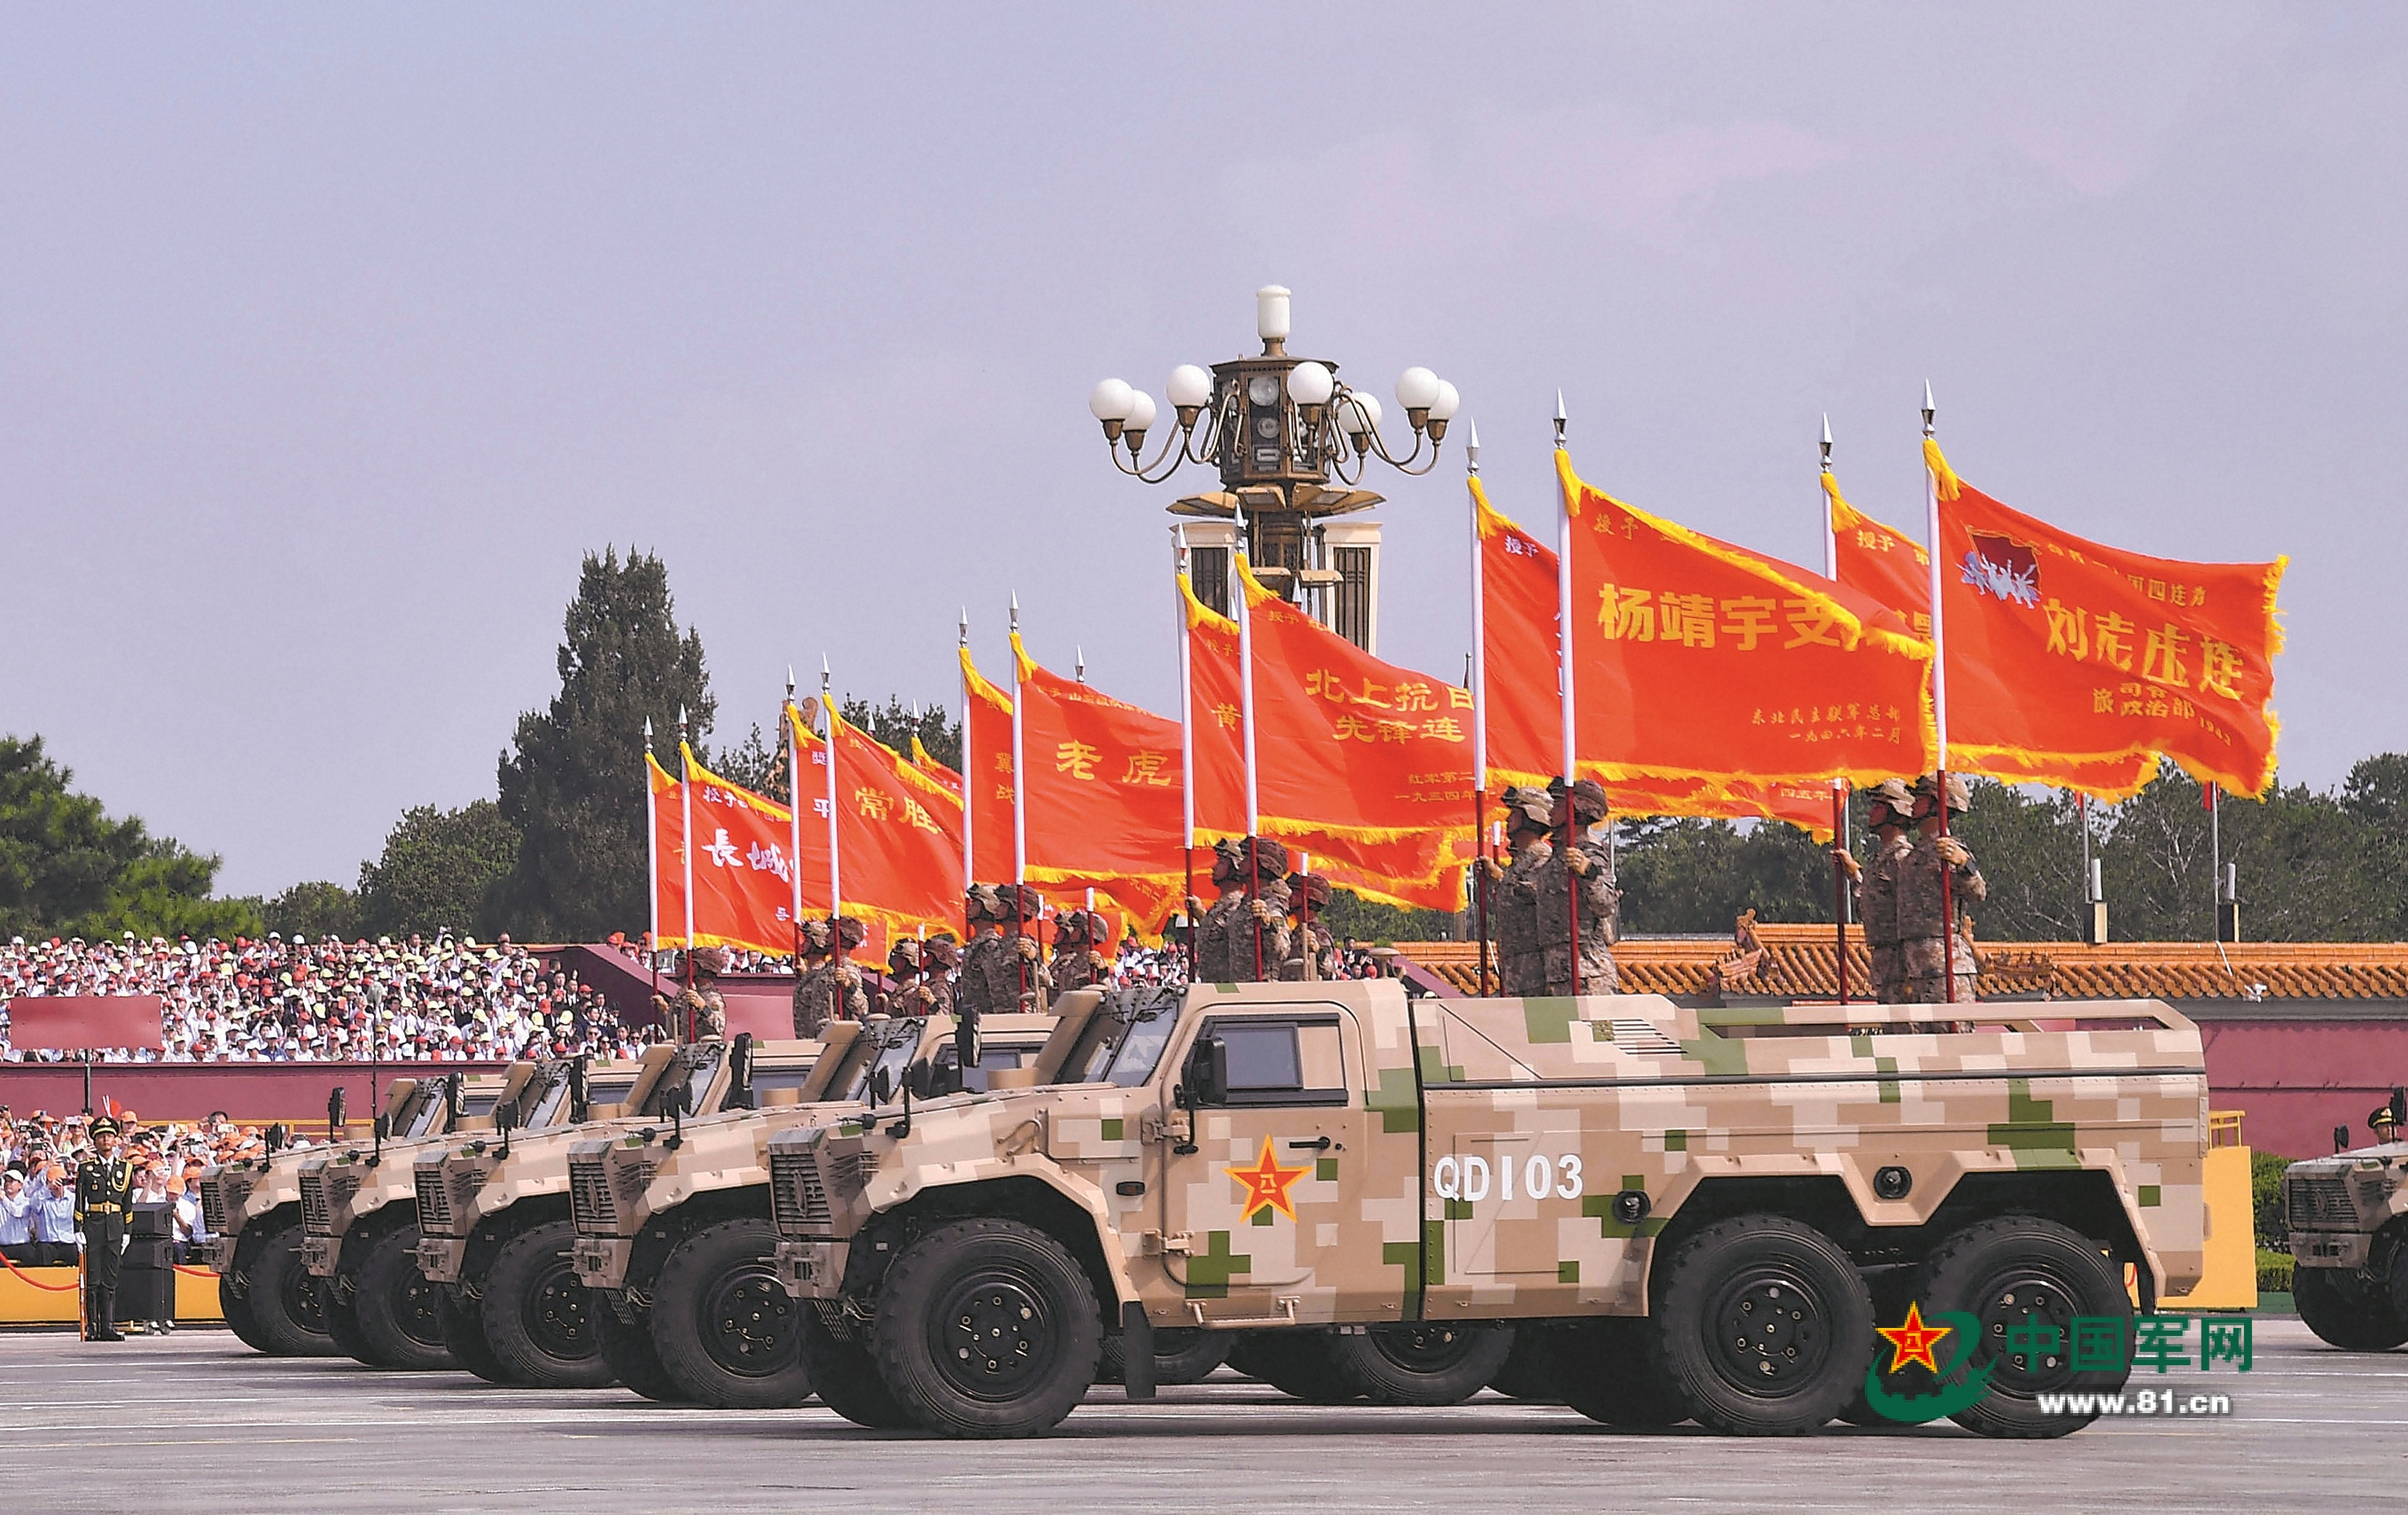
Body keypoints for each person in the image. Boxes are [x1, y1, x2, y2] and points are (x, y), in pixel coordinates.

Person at [1898, 773, 1986, 1003]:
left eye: (1920, 798)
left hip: (1947, 965)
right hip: (1917, 966)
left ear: (1938, 804)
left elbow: (1979, 892)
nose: (1913, 803)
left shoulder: (1949, 849)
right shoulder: (1914, 855)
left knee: (1951, 1027)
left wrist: (1963, 863)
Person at [1533, 778, 1620, 996]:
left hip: (1588, 973)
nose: (1551, 811)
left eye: (1559, 804)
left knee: (1595, 1022)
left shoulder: (1590, 853)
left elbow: (1606, 904)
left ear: (1578, 810)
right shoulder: (1558, 855)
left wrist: (1587, 871)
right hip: (1559, 972)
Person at [1834, 778, 1917, 1002]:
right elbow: (1871, 908)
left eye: (1879, 806)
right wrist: (1855, 876)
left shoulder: (1903, 858)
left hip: (1903, 965)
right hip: (1886, 964)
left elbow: (1911, 915)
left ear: (1896, 812)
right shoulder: (1882, 859)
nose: (1871, 812)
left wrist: (1910, 972)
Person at [1483, 786, 1556, 996]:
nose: (1508, 819)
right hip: (1518, 967)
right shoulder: (1523, 861)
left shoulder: (1542, 859)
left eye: (1515, 813)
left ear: (1531, 818)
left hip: (1535, 968)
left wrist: (1500, 879)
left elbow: (1533, 897)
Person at [74, 1117, 137, 1340]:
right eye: (101, 1136)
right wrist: (78, 1228)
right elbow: (79, 1200)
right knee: (93, 1279)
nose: (106, 1140)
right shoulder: (86, 1168)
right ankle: (93, 1326)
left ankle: (108, 1326)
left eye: (109, 1136)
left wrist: (128, 1231)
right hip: (94, 1225)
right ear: (95, 1141)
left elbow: (127, 1203)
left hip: (115, 1226)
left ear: (115, 1140)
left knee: (110, 1278)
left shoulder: (125, 1168)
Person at [652, 949, 729, 1042]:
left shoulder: (712, 997)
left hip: (706, 1049)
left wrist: (703, 1008)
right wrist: (666, 1009)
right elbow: (678, 1028)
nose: (689, 967)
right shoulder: (691, 994)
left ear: (703, 969)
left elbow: (719, 1028)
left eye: (692, 965)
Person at [1282, 873, 1337, 981]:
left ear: (1308, 898)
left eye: (1295, 892)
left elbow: (1329, 971)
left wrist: (1317, 951)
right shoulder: (1296, 932)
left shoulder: (1319, 933)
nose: (1290, 896)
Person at [1047, 910, 1112, 995]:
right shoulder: (1070, 962)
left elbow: (1105, 991)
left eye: (1076, 930)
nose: (1072, 933)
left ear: (1086, 934)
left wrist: (1102, 972)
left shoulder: (1095, 963)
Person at [790, 920, 835, 1037]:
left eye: (807, 941)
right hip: (805, 1039)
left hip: (818, 1039)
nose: (803, 945)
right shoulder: (810, 975)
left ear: (817, 944)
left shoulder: (824, 975)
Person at [0, 1167, 37, 1264]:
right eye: (6, 1181)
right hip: (3, 1246)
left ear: (20, 1185)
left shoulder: (26, 1202)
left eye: (12, 1181)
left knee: (33, 1258)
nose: (8, 1184)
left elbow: (17, 1212)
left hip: (22, 1245)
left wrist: (4, 1199)